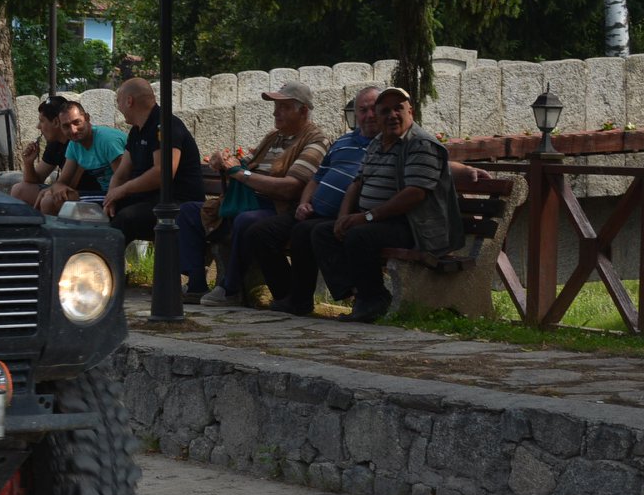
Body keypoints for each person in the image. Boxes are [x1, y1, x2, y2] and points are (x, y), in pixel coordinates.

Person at [303, 84, 465, 322]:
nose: (392, 115)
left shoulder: (420, 143)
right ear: (378, 117)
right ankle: (359, 294)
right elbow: (357, 182)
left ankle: (373, 299)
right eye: (385, 111)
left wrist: (366, 217)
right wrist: (343, 217)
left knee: (358, 235)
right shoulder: (377, 143)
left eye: (398, 108)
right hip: (379, 221)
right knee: (323, 232)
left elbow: (415, 194)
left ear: (411, 111)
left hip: (413, 226)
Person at [198, 81, 329, 307]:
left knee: (247, 222)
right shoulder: (273, 137)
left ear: (303, 111)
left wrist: (240, 174)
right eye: (276, 106)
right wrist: (224, 160)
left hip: (279, 208)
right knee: (189, 212)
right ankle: (194, 283)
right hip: (251, 201)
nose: (276, 112)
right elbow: (245, 162)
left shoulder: (316, 141)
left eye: (284, 107)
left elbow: (290, 187)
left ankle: (231, 288)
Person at [266, 83, 381, 315]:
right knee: (263, 231)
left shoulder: (383, 144)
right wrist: (304, 203)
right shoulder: (342, 141)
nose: (368, 115)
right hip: (314, 210)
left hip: (346, 214)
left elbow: (359, 184)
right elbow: (317, 177)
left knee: (308, 231)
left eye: (374, 109)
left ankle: (336, 296)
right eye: (362, 110)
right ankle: (291, 297)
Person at [102, 78, 204, 245]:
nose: (118, 107)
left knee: (126, 219)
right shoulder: (136, 131)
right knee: (98, 214)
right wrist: (110, 199)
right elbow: (121, 174)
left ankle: (102, 260)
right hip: (149, 200)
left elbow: (162, 173)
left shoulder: (166, 125)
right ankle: (92, 259)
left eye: (118, 101)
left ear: (129, 101)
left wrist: (123, 190)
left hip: (178, 203)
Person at [37, 100, 127, 215]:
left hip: (123, 194)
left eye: (77, 122)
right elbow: (62, 181)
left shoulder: (107, 141)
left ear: (87, 118)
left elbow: (122, 179)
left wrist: (57, 191)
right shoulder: (74, 144)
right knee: (50, 197)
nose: (73, 130)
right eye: (66, 126)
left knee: (51, 201)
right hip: (104, 193)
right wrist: (58, 188)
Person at [10, 97, 71, 208]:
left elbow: (69, 183)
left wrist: (49, 191)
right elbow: (34, 180)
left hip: (80, 192)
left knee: (47, 200)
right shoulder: (55, 143)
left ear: (56, 122)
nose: (38, 126)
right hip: (64, 190)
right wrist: (28, 162)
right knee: (18, 190)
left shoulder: (75, 142)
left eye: (42, 121)